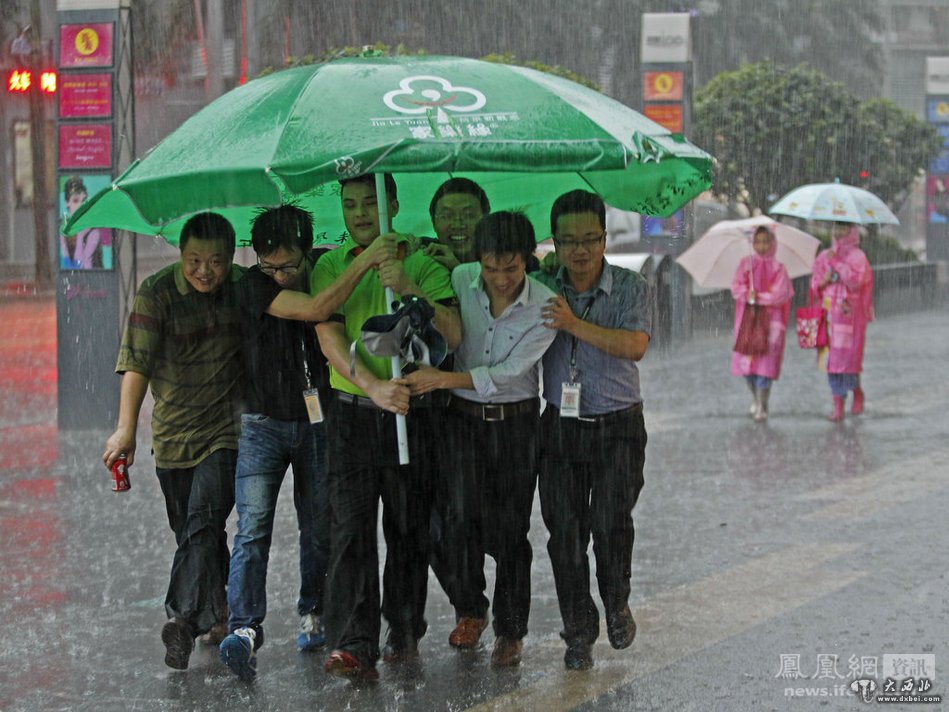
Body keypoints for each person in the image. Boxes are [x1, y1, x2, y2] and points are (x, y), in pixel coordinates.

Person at [218, 205, 396, 681]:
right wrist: (363, 261)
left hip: (319, 422)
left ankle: (312, 609)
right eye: (269, 265)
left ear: (306, 250)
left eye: (289, 266)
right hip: (262, 424)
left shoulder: (324, 266)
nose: (279, 275)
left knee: (320, 525)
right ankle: (244, 628)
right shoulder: (251, 285)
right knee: (253, 527)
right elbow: (317, 309)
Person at [313, 173, 461, 680]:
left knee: (407, 528)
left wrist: (410, 286)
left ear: (392, 204)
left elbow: (455, 331)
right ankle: (353, 642)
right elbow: (328, 334)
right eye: (349, 204)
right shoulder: (330, 264)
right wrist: (372, 387)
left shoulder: (422, 262)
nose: (359, 213)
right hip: (353, 415)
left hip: (412, 416)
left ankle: (403, 628)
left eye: (369, 203)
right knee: (350, 529)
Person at [403, 211, 556, 666]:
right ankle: (471, 608)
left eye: (511, 268)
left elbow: (509, 376)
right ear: (480, 261)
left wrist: (441, 379)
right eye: (492, 268)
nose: (501, 279)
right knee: (455, 520)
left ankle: (511, 630)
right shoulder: (460, 276)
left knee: (511, 531)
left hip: (516, 423)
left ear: (527, 260)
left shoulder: (544, 306)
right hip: (463, 422)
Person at [102, 212, 244, 670]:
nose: (206, 271)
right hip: (171, 438)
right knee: (194, 534)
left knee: (202, 523)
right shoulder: (156, 294)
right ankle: (219, 608)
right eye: (195, 260)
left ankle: (181, 623)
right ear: (180, 254)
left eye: (217, 261)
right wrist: (125, 428)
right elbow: (136, 364)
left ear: (231, 257)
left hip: (225, 432)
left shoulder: (242, 288)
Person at [534, 190, 650, 671]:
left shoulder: (629, 286)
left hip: (618, 424)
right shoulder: (540, 284)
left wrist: (572, 323)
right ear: (554, 244)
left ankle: (616, 599)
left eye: (589, 239)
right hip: (560, 426)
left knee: (609, 524)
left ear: (605, 238)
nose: (580, 251)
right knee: (564, 534)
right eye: (568, 241)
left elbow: (634, 346)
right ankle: (578, 629)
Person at [809, 222, 874, 421]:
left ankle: (856, 390)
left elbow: (855, 281)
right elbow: (814, 285)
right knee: (831, 361)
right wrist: (823, 281)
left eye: (843, 227)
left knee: (848, 360)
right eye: (835, 227)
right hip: (828, 317)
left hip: (850, 318)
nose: (838, 231)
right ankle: (838, 403)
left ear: (852, 230)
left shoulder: (858, 257)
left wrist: (837, 263)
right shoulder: (824, 256)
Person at [730, 225, 793, 422]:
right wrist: (747, 294)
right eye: (758, 241)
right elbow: (736, 288)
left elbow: (780, 294)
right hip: (748, 323)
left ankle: (762, 403)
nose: (762, 245)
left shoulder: (779, 268)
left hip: (771, 325)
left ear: (772, 243)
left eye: (766, 241)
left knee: (765, 367)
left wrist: (758, 297)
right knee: (748, 368)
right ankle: (756, 399)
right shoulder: (745, 265)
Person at [420, 177, 491, 270]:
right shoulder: (424, 254)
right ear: (433, 223)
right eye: (446, 216)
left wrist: (458, 270)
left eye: (468, 215)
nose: (457, 225)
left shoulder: (505, 259)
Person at [60, 176, 110, 269]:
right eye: (75, 201)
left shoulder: (93, 232)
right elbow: (67, 265)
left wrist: (80, 235)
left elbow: (81, 266)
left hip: (93, 280)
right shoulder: (64, 228)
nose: (80, 206)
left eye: (83, 201)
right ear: (67, 203)